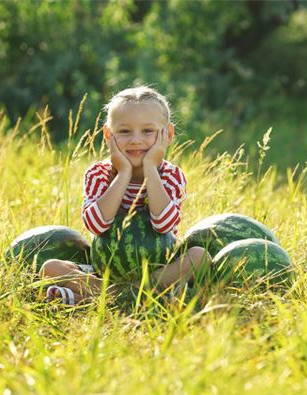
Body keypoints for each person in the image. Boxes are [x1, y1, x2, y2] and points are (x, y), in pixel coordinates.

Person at [40, 85, 211, 305]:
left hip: (159, 269)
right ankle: (136, 298)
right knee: (51, 268)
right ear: (108, 135)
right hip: (105, 272)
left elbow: (164, 224)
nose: (135, 140)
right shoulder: (98, 174)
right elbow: (96, 226)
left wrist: (150, 167)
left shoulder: (171, 176)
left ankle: (99, 299)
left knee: (199, 256)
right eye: (124, 131)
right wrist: (123, 174)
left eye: (148, 131)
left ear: (167, 135)